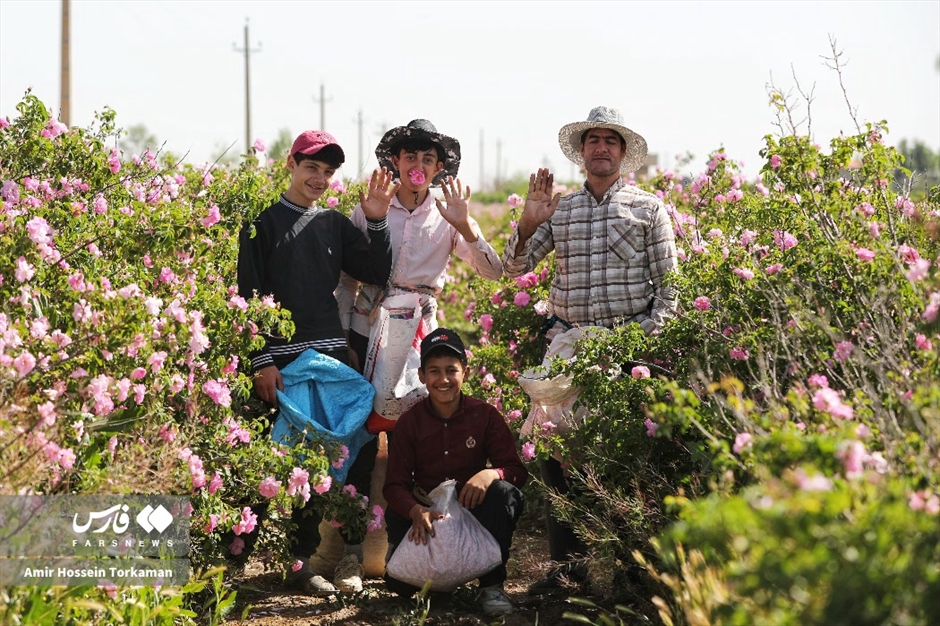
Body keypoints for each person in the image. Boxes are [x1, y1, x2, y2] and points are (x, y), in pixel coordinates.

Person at [501, 106, 679, 593]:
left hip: (626, 352)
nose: (601, 147)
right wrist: (527, 223)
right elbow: (514, 268)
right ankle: (568, 570)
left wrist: (626, 345)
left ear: (623, 153)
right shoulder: (561, 210)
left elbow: (670, 295)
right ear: (582, 152)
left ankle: (631, 572)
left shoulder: (648, 209)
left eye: (610, 140)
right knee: (557, 455)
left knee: (624, 458)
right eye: (593, 140)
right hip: (567, 351)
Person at [237, 130, 399, 595]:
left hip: (326, 358)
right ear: (291, 164)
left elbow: (376, 271)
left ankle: (304, 562)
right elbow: (248, 294)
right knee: (263, 462)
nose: (320, 178)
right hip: (281, 363)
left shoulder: (333, 224)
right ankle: (232, 562)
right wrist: (261, 361)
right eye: (312, 167)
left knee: (325, 461)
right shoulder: (262, 224)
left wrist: (377, 220)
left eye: (327, 172)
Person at [383, 328, 528, 617]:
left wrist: (491, 474)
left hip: (471, 508)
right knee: (400, 585)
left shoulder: (485, 416)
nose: (444, 379)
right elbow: (394, 485)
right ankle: (431, 579)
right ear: (422, 376)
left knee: (504, 494)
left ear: (466, 372)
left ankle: (492, 585)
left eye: (451, 370)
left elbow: (516, 470)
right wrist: (415, 511)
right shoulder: (410, 422)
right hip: (427, 515)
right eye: (434, 371)